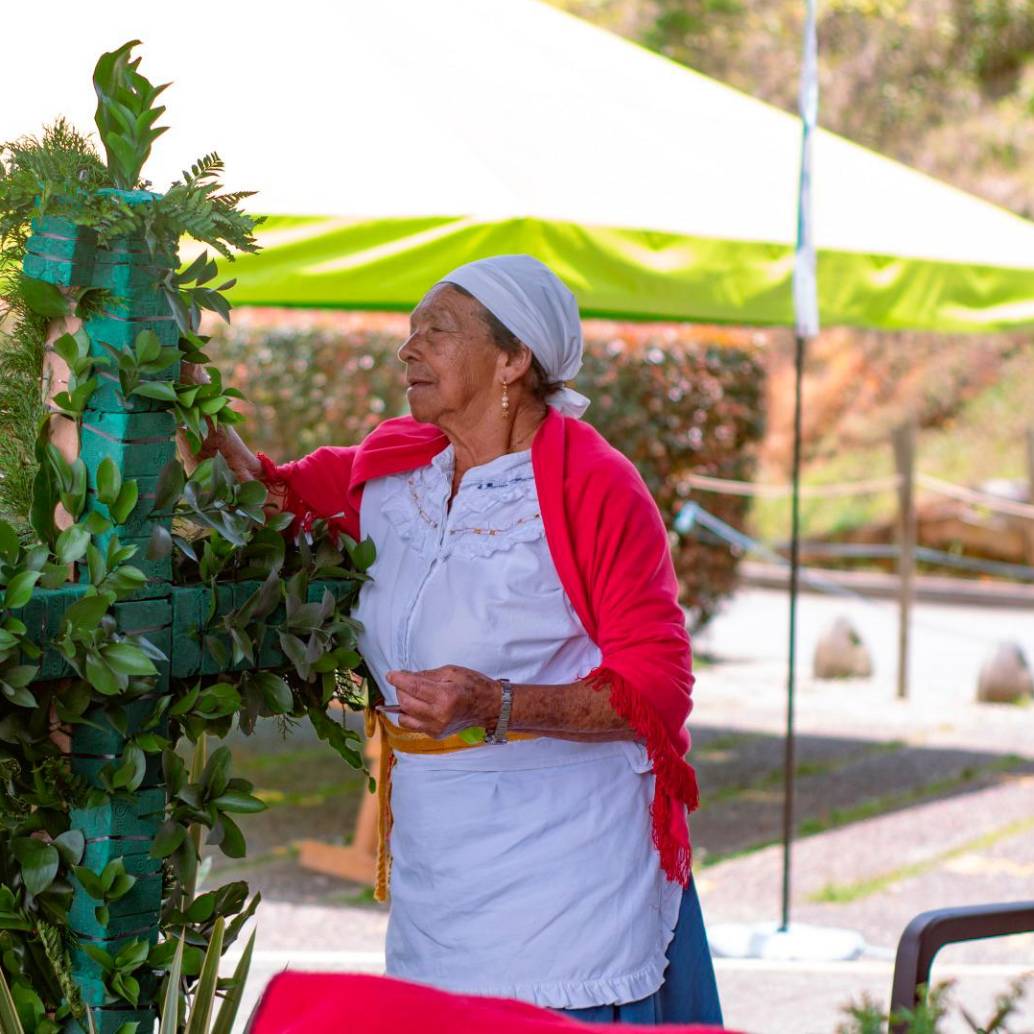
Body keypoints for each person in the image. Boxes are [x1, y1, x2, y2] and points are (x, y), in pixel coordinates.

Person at [186, 255, 723, 1026]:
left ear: (513, 360)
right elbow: (276, 495)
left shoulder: (595, 486)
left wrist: (495, 703)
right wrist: (205, 427)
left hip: (566, 874)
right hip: (437, 871)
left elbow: (656, 688)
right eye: (410, 333)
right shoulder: (395, 471)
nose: (408, 350)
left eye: (436, 332)